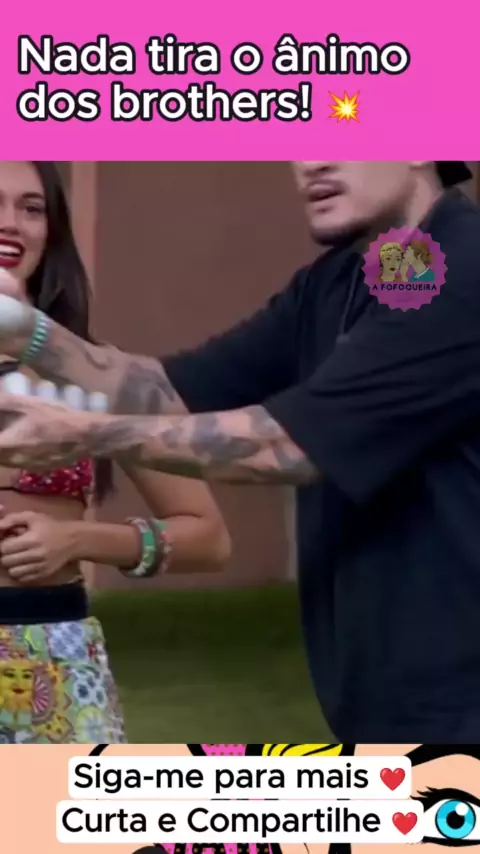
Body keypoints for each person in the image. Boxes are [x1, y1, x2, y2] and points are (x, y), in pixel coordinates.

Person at [0, 160, 477, 742]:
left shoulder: (463, 270)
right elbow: (168, 390)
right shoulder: (351, 278)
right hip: (381, 696)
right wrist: (24, 328)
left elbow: (288, 445)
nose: (312, 162)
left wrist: (89, 434)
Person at [0, 160, 231, 744]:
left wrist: (78, 540)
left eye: (32, 208)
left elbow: (207, 536)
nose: (12, 224)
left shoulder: (104, 374)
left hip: (50, 668)